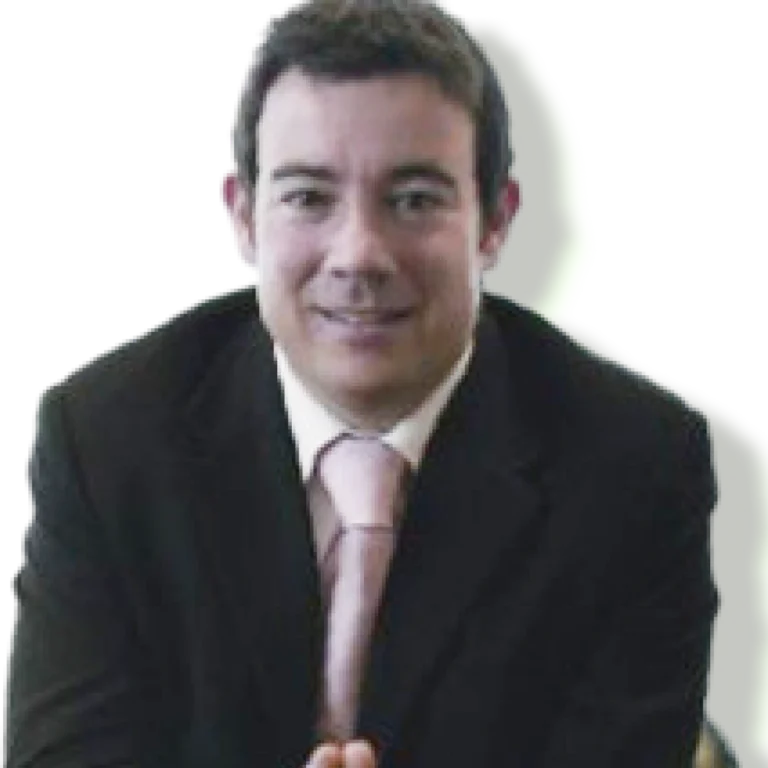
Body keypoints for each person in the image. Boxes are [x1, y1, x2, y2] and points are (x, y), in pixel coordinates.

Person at [8, 1, 724, 766]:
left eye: (413, 200)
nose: (358, 255)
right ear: (240, 215)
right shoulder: (106, 438)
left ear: (494, 223)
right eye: (308, 198)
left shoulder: (635, 463)